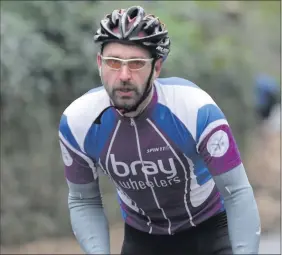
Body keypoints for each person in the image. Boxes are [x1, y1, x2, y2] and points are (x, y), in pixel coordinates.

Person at [58, 6, 261, 255]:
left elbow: (237, 192)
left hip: (210, 231)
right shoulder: (78, 121)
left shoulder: (194, 108)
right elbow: (83, 199)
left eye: (136, 64)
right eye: (113, 62)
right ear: (100, 63)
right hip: (143, 239)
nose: (123, 75)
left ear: (156, 68)